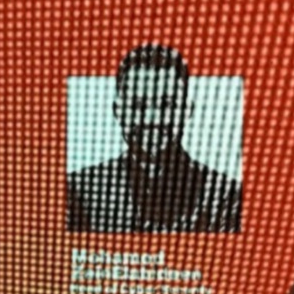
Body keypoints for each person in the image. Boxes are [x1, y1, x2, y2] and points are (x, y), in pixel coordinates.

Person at [66, 43, 242, 233]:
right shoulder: (79, 192)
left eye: (166, 105)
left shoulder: (225, 197)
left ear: (186, 110)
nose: (152, 119)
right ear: (118, 111)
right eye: (137, 105)